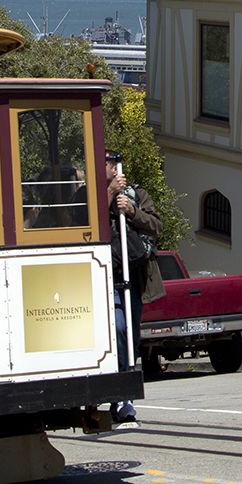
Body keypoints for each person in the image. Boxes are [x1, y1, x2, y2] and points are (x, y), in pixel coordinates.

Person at [104, 148, 164, 426]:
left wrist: (132, 211)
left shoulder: (138, 195)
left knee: (130, 332)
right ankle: (117, 390)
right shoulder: (91, 196)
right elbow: (83, 219)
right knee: (116, 329)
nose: (111, 169)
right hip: (105, 279)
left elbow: (155, 225)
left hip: (134, 278)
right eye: (107, 164)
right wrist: (107, 196)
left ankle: (125, 397)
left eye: (113, 164)